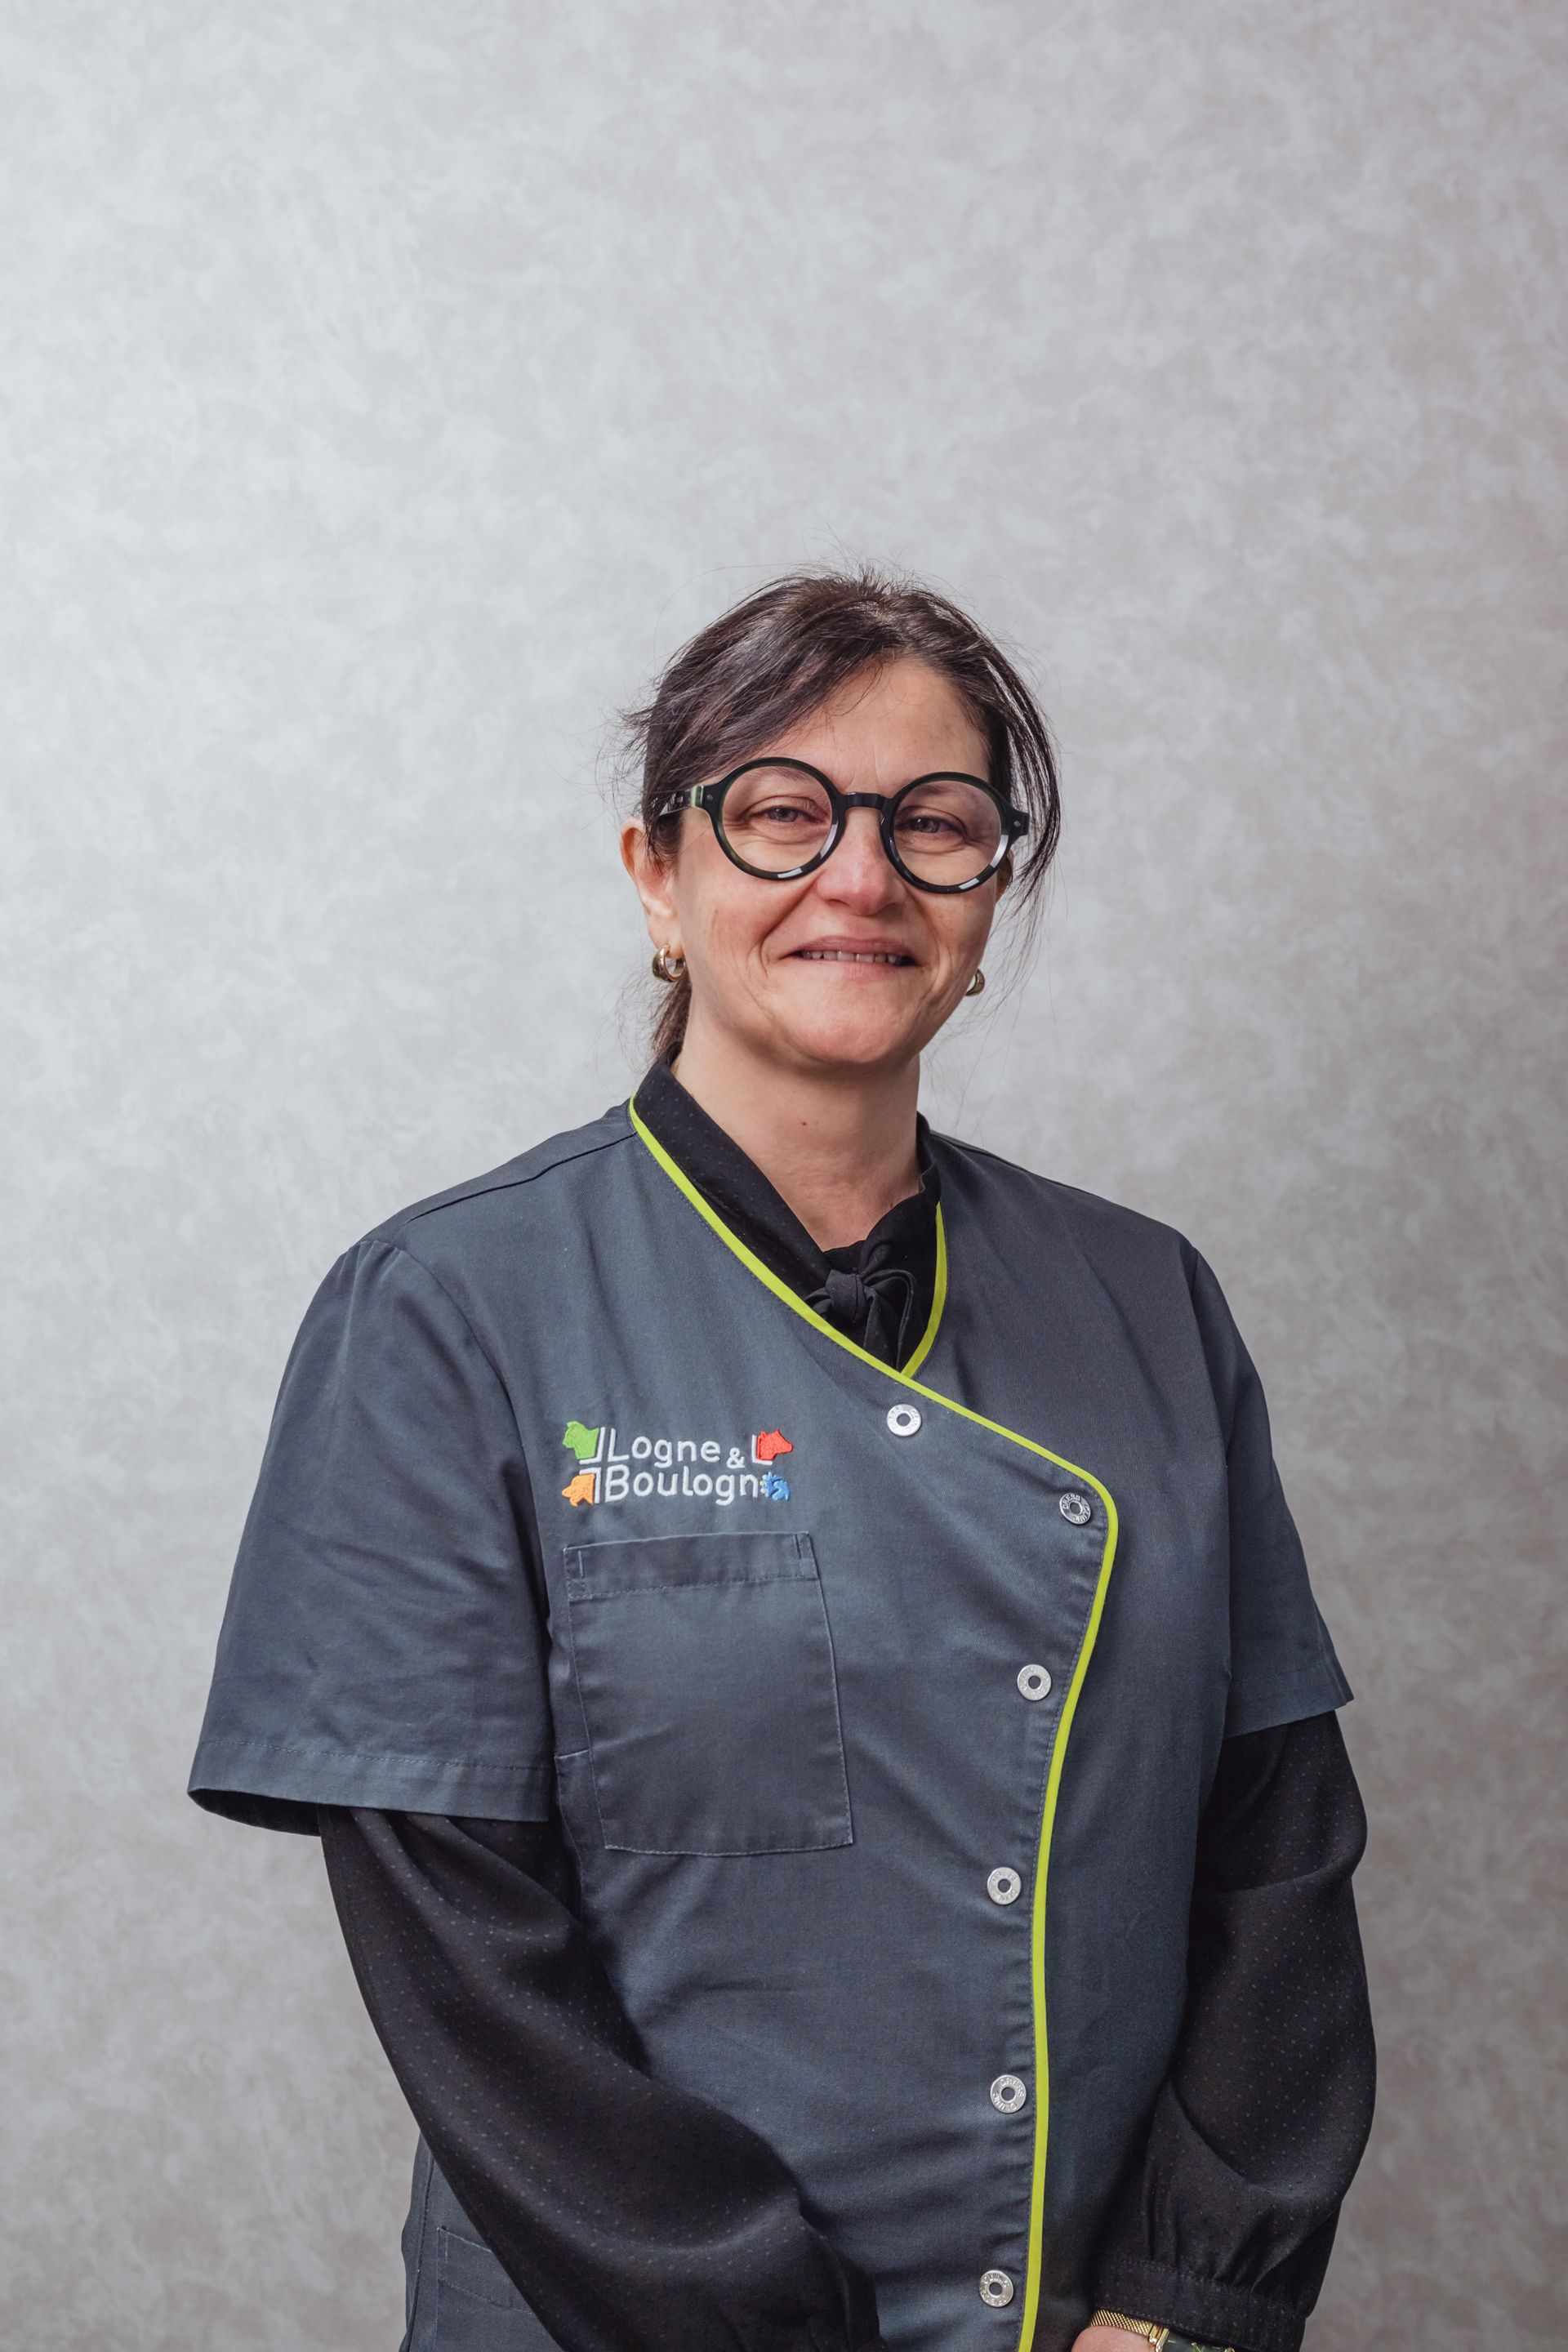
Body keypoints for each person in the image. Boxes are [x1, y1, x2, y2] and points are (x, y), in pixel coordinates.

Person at [189, 568, 1375, 2352]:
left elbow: (1280, 1852)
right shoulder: (445, 1311)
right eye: (780, 813)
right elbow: (464, 1965)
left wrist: (1189, 2302)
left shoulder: (1149, 1302)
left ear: (994, 887)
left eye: (938, 822)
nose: (862, 876)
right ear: (657, 876)